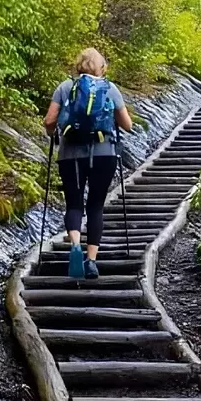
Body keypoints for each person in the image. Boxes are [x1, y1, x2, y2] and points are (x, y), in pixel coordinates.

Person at [43, 48, 133, 279]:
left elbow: (50, 120)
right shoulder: (110, 88)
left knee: (73, 204)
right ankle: (91, 260)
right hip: (104, 153)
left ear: (79, 65)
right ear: (101, 67)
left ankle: (75, 244)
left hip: (71, 155)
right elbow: (127, 125)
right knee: (95, 206)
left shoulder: (65, 88)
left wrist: (53, 132)